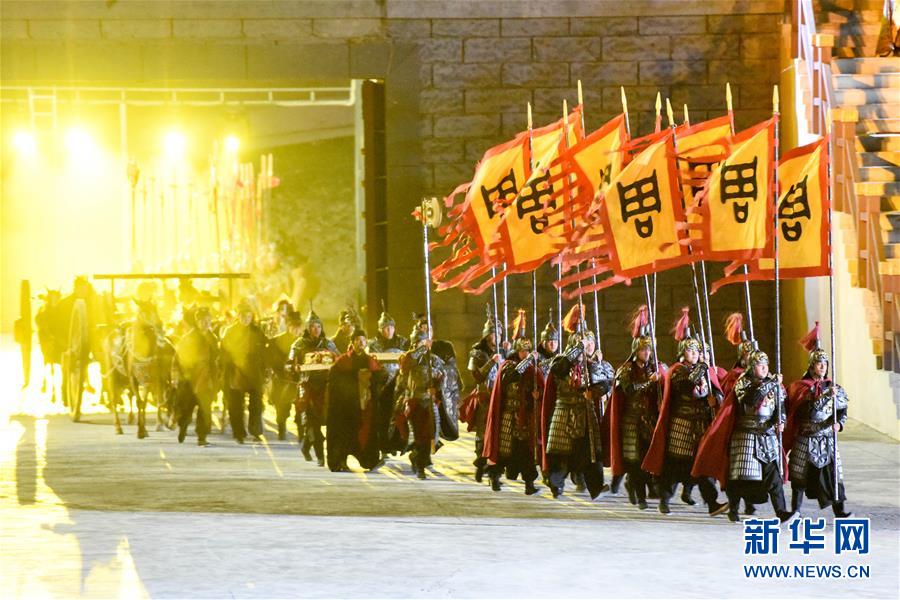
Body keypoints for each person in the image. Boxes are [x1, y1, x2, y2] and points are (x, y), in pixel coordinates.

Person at [692, 343, 796, 523]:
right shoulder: (743, 382)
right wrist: (772, 383)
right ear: (752, 367)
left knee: (774, 476)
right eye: (760, 365)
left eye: (766, 365)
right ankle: (733, 510)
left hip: (767, 435)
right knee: (740, 476)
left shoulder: (774, 384)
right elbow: (751, 399)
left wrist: (781, 421)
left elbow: (780, 407)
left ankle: (781, 511)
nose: (764, 369)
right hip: (745, 435)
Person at [642, 309, 728, 516]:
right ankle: (664, 500)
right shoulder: (677, 370)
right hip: (682, 423)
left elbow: (717, 392)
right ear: (683, 352)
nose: (695, 354)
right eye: (691, 351)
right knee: (674, 466)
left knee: (702, 464)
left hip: (700, 425)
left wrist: (714, 400)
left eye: (697, 351)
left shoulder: (705, 371)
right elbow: (687, 385)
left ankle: (712, 503)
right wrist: (703, 367)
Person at [541, 304, 613, 499]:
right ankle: (555, 484)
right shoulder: (562, 361)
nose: (588, 345)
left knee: (590, 453)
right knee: (560, 453)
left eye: (590, 342)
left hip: (586, 412)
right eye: (584, 343)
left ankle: (595, 487)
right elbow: (557, 370)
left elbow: (606, 383)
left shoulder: (596, 363)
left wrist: (596, 391)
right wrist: (576, 351)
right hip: (564, 410)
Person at [785, 323, 852, 518]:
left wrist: (840, 423)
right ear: (811, 366)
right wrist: (824, 396)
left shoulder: (833, 387)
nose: (823, 367)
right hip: (806, 436)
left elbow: (842, 410)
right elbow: (808, 411)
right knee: (799, 475)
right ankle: (795, 510)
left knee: (834, 475)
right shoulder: (801, 388)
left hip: (827, 438)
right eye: (819, 363)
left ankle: (839, 511)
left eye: (825, 363)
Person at [608, 306, 665, 510]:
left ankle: (639, 487)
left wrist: (661, 380)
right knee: (635, 462)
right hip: (632, 421)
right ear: (635, 350)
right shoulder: (626, 370)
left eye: (649, 349)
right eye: (643, 349)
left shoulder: (657, 367)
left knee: (650, 460)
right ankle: (640, 495)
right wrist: (650, 382)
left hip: (650, 421)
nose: (647, 353)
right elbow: (629, 389)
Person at [483, 333, 543, 495]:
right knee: (503, 449)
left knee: (526, 452)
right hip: (508, 415)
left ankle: (529, 484)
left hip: (524, 417)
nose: (525, 353)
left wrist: (537, 396)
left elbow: (540, 387)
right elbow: (512, 376)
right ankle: (495, 477)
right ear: (517, 351)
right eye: (522, 351)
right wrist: (528, 360)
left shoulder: (533, 369)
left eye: (528, 351)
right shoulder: (508, 366)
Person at [326, 328, 385, 472]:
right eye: (358, 340)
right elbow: (334, 376)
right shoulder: (344, 360)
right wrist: (355, 376)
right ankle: (340, 461)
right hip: (347, 407)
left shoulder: (370, 360)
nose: (361, 343)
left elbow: (381, 375)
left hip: (364, 406)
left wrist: (370, 377)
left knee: (365, 432)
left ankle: (369, 460)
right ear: (352, 342)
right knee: (345, 433)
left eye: (363, 340)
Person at [287, 305, 338, 465]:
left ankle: (305, 446)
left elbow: (339, 360)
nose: (316, 329)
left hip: (325, 386)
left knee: (322, 420)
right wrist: (294, 367)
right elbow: (288, 364)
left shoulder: (328, 344)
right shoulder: (298, 344)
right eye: (312, 327)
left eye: (318, 326)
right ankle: (320, 456)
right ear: (308, 328)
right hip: (307, 385)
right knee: (311, 421)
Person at [393, 324, 444, 479]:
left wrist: (436, 388)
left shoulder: (433, 359)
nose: (420, 345)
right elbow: (405, 366)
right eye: (417, 343)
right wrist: (422, 348)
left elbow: (442, 376)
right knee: (416, 435)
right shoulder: (408, 358)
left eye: (422, 342)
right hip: (413, 401)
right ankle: (417, 459)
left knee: (428, 435)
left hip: (428, 402)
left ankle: (421, 463)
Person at [461, 306, 505, 483]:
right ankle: (480, 464)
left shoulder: (504, 351)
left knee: (499, 434)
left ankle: (494, 471)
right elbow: (477, 376)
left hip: (500, 397)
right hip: (484, 398)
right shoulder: (477, 353)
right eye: (494, 334)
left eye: (499, 334)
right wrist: (491, 362)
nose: (497, 338)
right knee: (482, 433)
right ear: (487, 336)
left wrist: (508, 354)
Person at [220, 299, 268, 443]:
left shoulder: (257, 331)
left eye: (248, 316)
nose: (246, 319)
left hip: (254, 371)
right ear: (238, 316)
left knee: (256, 404)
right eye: (243, 316)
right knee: (236, 405)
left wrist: (265, 368)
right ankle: (239, 433)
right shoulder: (230, 332)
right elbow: (224, 352)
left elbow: (265, 349)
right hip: (236, 371)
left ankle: (256, 432)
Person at [172, 306, 219, 446]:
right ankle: (183, 427)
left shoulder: (213, 338)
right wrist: (178, 375)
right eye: (202, 321)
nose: (205, 323)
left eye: (208, 320)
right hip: (190, 378)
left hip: (207, 378)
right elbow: (178, 358)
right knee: (186, 408)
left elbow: (217, 358)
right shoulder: (188, 338)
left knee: (205, 409)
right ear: (197, 321)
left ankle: (201, 436)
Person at [266, 310, 303, 440]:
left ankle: (301, 431)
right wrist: (282, 370)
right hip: (282, 378)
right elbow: (272, 359)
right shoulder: (277, 341)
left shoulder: (304, 342)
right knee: (282, 407)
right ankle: (281, 429)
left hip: (299, 378)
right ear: (288, 326)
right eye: (293, 326)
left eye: (298, 327)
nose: (296, 330)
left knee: (301, 407)